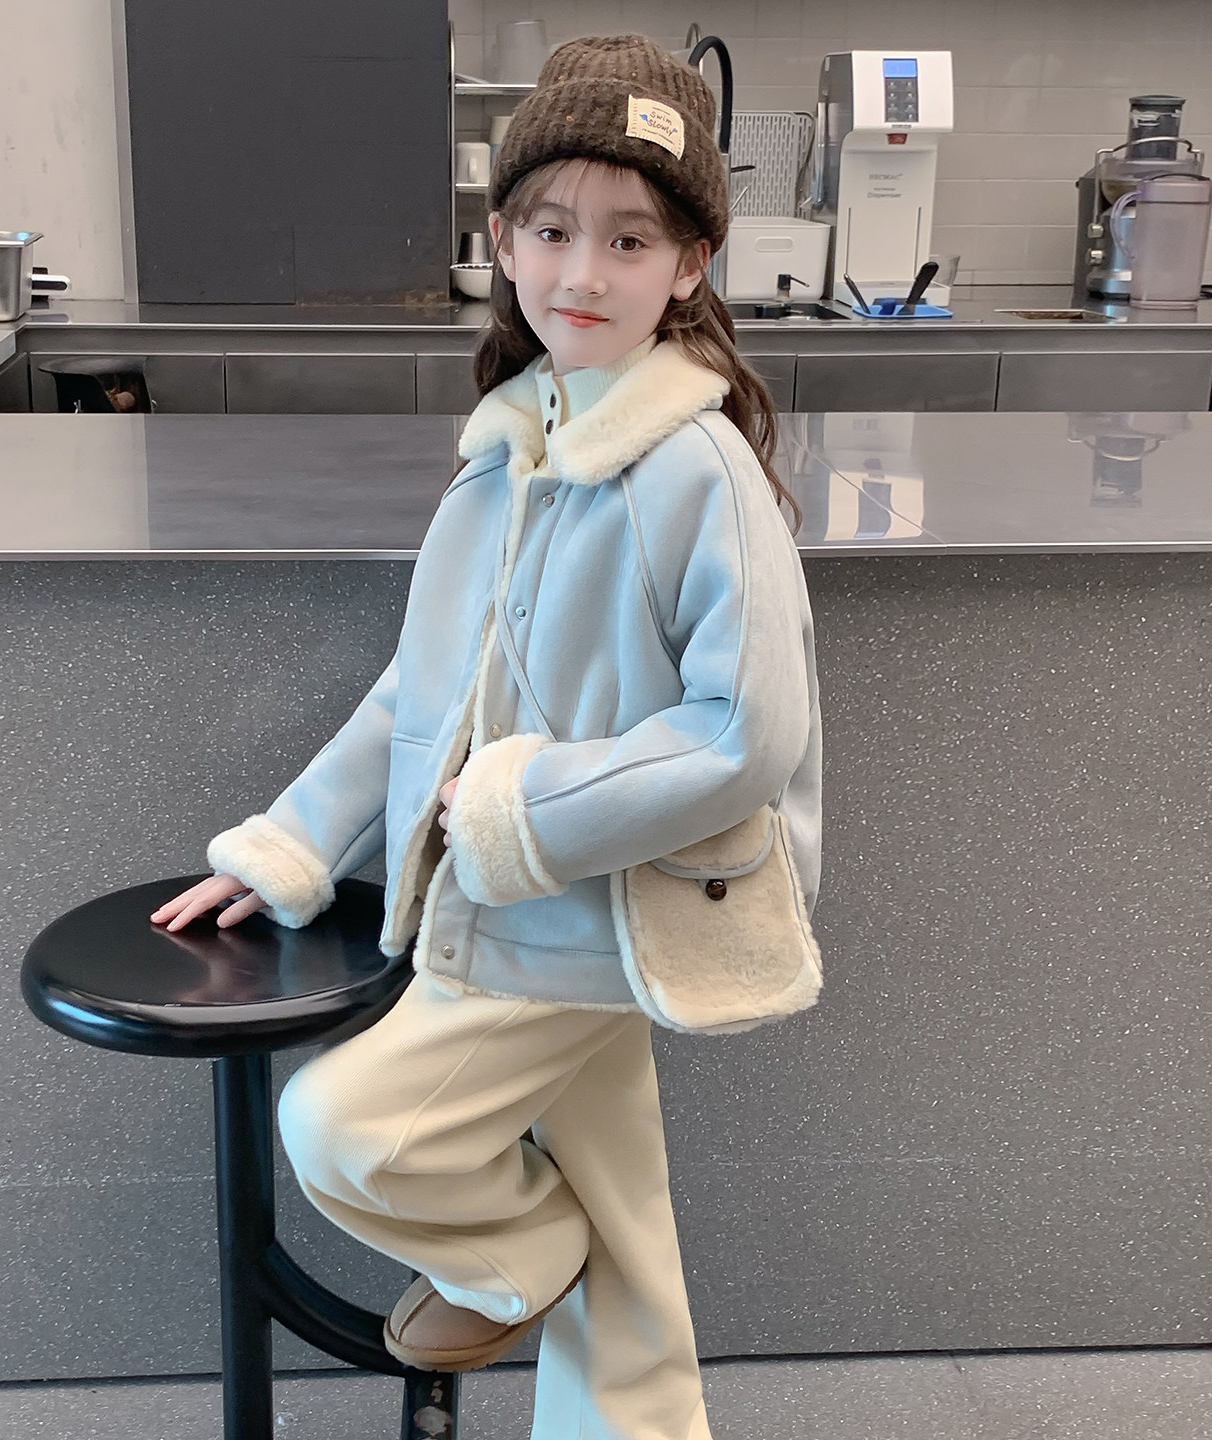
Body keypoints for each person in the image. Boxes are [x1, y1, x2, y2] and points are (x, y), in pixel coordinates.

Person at [151, 33, 823, 1440]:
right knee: (628, 1235)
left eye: (630, 240)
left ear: (689, 266)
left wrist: (520, 810)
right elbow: (422, 694)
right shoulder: (508, 454)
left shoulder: (697, 468)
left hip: (583, 919)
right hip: (521, 909)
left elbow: (748, 733)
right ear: (502, 243)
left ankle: (520, 1258)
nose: (585, 272)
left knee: (345, 1130)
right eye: (553, 230)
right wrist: (288, 845)